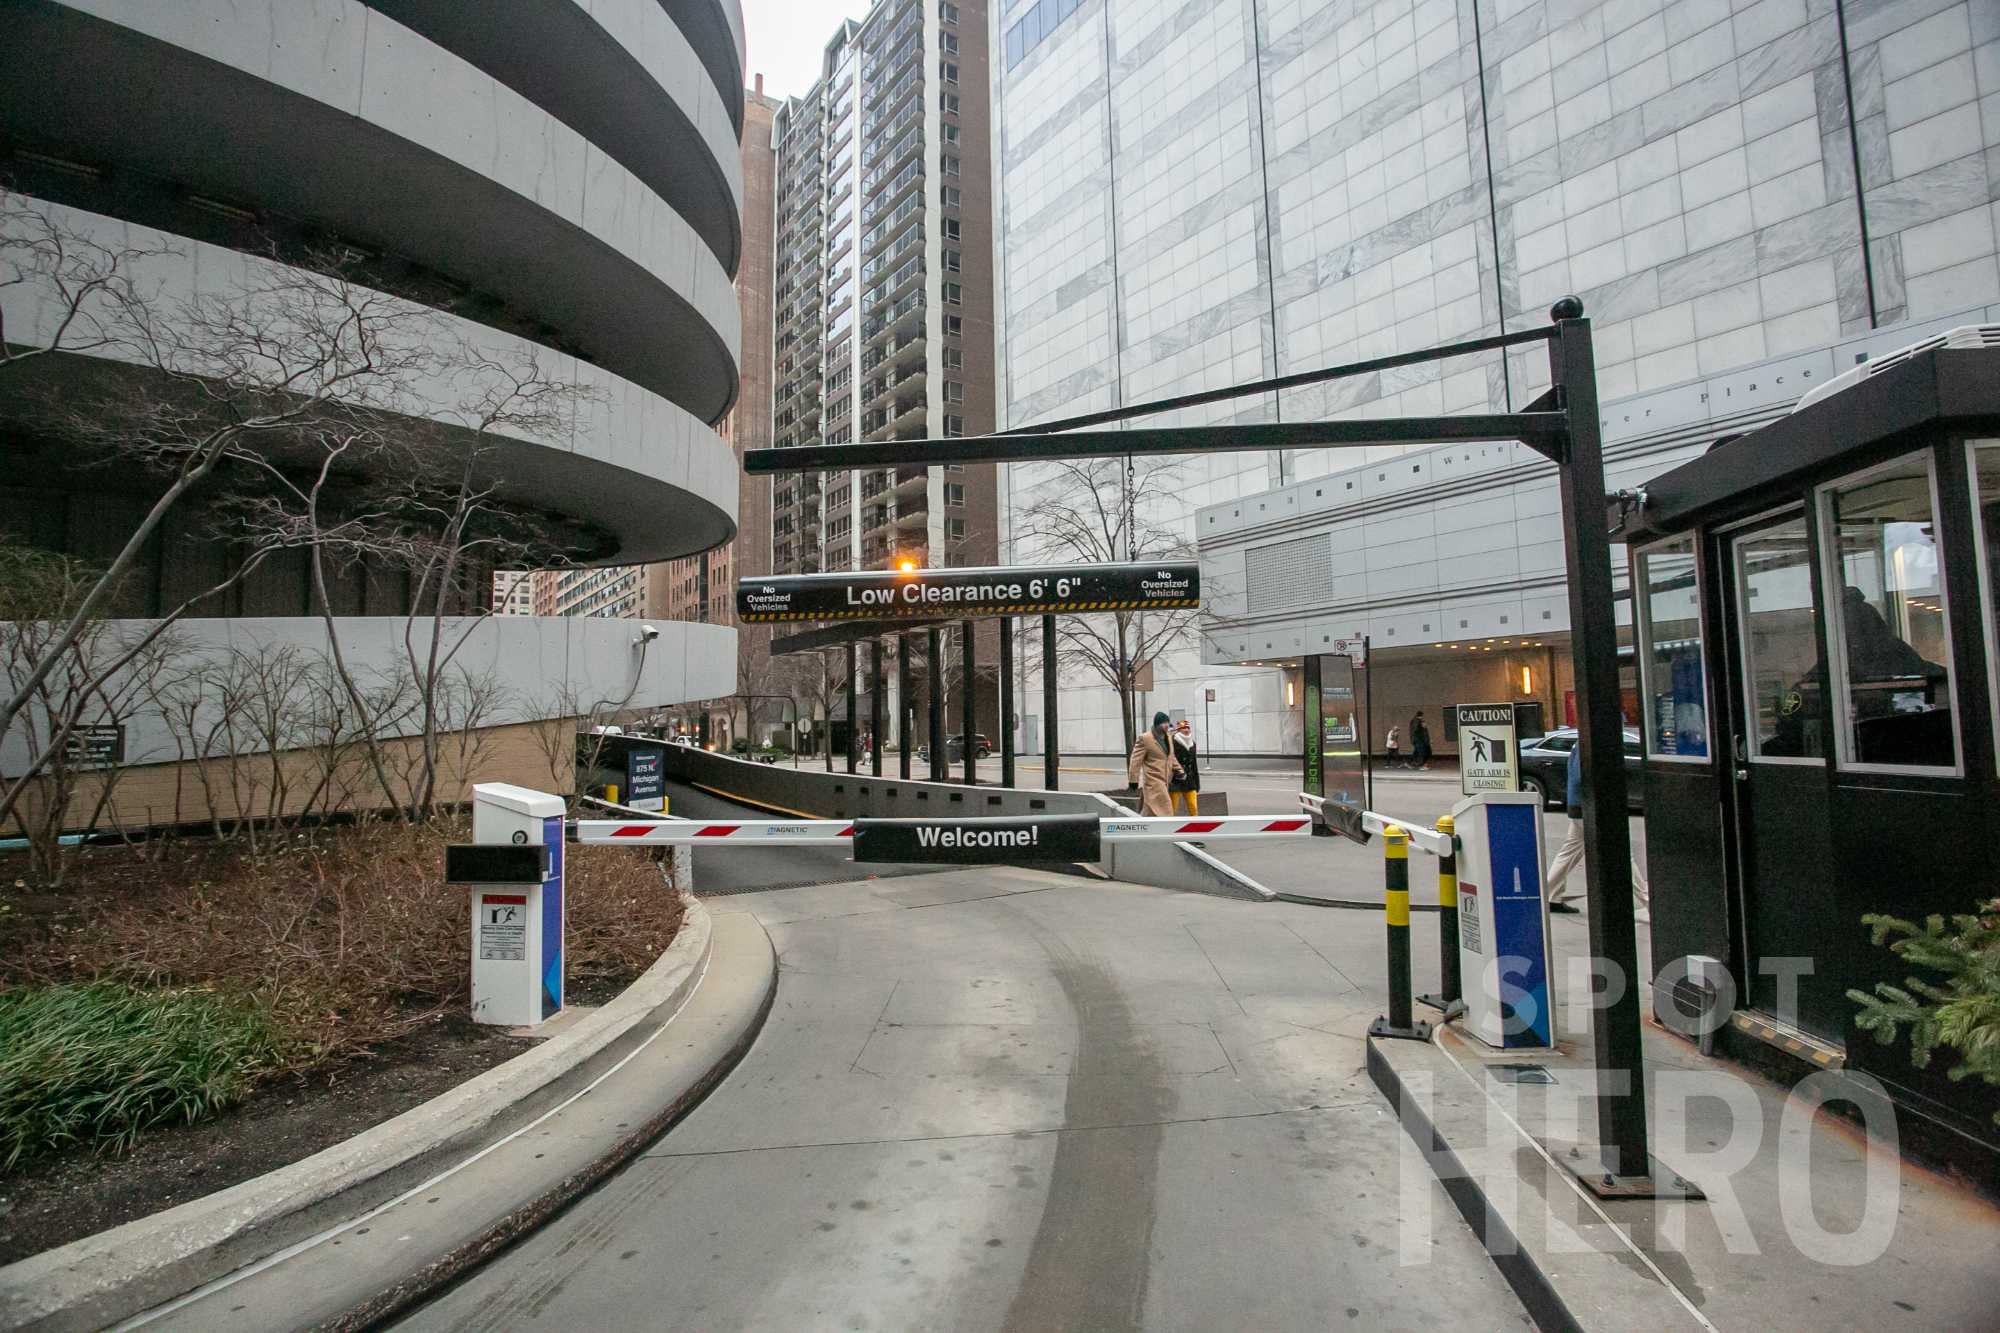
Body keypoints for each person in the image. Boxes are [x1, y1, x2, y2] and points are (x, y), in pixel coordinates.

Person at [1545, 741, 1649, 920]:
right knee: (1622, 853)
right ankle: (1649, 902)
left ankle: (1549, 895)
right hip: (1589, 808)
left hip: (1578, 806)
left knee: (1569, 852)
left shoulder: (1580, 742)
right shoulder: (1588, 742)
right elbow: (1581, 777)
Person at [1127, 710, 1184, 816]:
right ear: (1157, 724)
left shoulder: (1168, 737)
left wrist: (1179, 770)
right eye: (1164, 723)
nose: (1167, 725)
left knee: (1151, 809)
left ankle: (1143, 826)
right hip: (1153, 781)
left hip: (1165, 779)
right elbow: (1135, 760)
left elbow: (1171, 757)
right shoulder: (1145, 738)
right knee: (1166, 809)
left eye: (1167, 722)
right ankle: (1168, 830)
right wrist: (1133, 780)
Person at [1169, 718, 1201, 816]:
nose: (1186, 730)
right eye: (1183, 728)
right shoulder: (1172, 742)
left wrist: (1197, 783)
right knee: (1172, 809)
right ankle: (1169, 828)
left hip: (1190, 780)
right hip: (1175, 780)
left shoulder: (1193, 743)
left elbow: (1194, 764)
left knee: (1193, 807)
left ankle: (1195, 827)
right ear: (1178, 730)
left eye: (1188, 728)